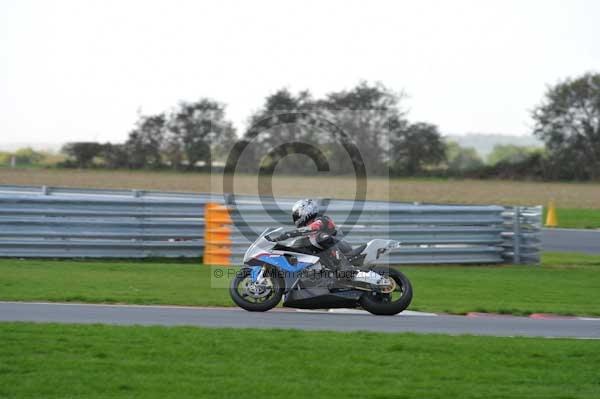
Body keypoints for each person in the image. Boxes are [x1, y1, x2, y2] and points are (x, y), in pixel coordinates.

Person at [269, 199, 354, 276]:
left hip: (341, 247)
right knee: (298, 244)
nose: (296, 218)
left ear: (305, 212)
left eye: (297, 215)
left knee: (319, 237)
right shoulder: (308, 232)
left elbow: (312, 228)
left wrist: (286, 235)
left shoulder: (322, 219)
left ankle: (346, 266)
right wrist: (275, 243)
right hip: (327, 256)